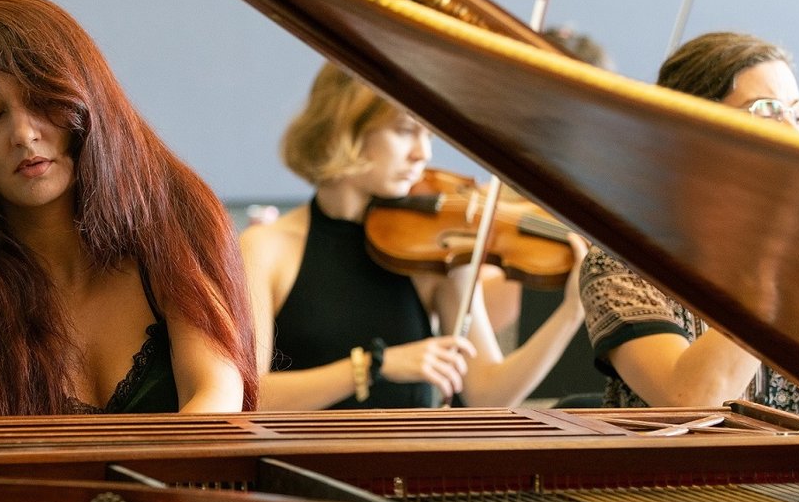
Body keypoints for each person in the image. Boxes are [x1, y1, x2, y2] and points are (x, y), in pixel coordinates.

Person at [0, 0, 257, 418]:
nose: (24, 134)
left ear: (87, 96)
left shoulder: (180, 224)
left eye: (41, 100)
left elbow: (216, 401)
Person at [239, 62, 588, 411]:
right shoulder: (266, 250)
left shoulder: (436, 250)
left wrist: (570, 314)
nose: (423, 154)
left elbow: (487, 395)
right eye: (405, 130)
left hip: (410, 448)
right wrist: (373, 367)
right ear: (344, 128)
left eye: (429, 136)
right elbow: (247, 397)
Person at [579, 31, 799, 416]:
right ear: (691, 132)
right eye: (767, 111)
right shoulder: (621, 264)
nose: (794, 134)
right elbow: (692, 401)